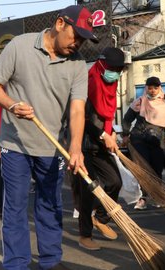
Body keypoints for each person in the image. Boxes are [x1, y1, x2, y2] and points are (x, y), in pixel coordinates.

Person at [0, 5, 96, 269]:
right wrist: (12, 105)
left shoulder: (78, 63)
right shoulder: (20, 46)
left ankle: (50, 261)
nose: (77, 43)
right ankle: (16, 263)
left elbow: (78, 110)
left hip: (53, 147)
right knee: (15, 208)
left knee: (50, 205)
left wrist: (76, 148)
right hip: (15, 144)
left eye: (83, 39)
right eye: (76, 35)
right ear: (60, 23)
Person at [73, 47, 125, 251]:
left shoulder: (111, 84)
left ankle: (101, 218)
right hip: (83, 144)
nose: (116, 73)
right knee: (89, 189)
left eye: (119, 70)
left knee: (115, 182)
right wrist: (103, 135)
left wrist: (111, 133)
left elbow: (108, 116)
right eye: (113, 69)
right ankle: (85, 235)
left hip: (101, 145)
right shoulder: (88, 83)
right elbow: (81, 119)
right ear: (102, 65)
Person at [122, 76, 165, 210]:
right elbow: (127, 119)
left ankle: (158, 196)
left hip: (157, 141)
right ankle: (143, 198)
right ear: (146, 88)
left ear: (159, 88)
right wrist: (125, 134)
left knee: (157, 169)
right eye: (150, 87)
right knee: (143, 169)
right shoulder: (140, 102)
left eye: (155, 87)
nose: (152, 90)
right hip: (139, 139)